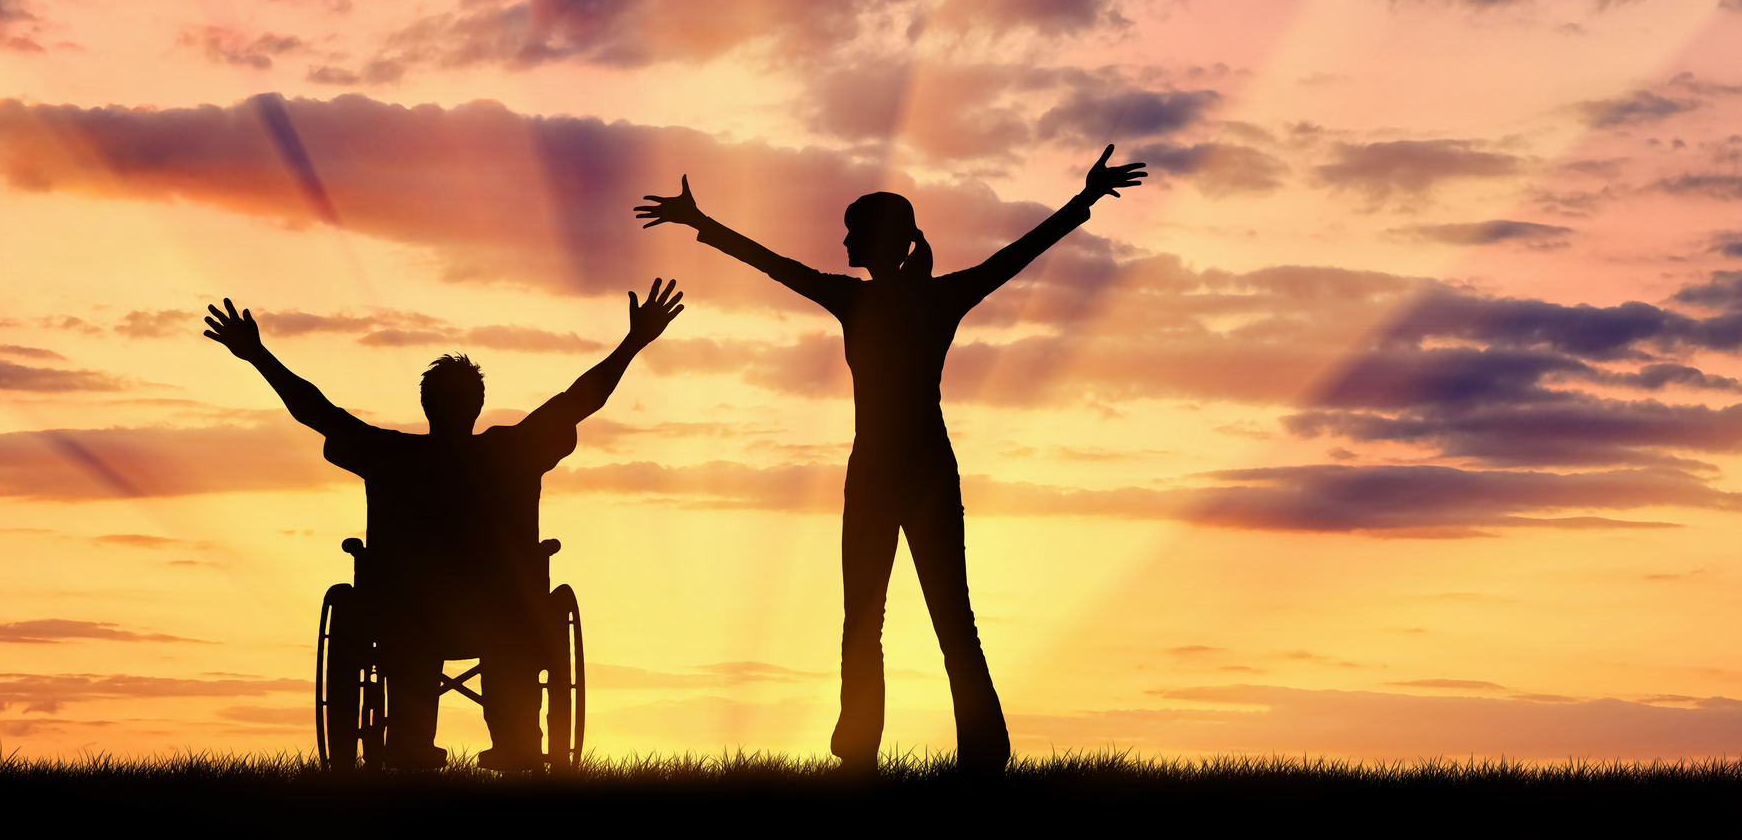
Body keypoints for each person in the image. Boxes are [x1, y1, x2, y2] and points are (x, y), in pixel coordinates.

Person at [635, 146, 1145, 773]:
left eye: (853, 231)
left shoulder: (869, 301)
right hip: (914, 470)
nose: (843, 240)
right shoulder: (931, 298)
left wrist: (701, 224)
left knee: (875, 620)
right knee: (939, 617)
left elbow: (777, 267)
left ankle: (867, 751)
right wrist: (1085, 199)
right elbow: (1019, 255)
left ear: (882, 242)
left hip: (886, 473)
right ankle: (968, 751)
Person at [202, 279, 684, 771]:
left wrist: (257, 355)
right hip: (505, 614)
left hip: (407, 616)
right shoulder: (512, 452)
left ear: (426, 407)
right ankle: (516, 741)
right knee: (508, 630)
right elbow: (580, 399)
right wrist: (634, 342)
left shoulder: (392, 456)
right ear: (475, 407)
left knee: (416, 634)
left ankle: (410, 744)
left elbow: (318, 413)